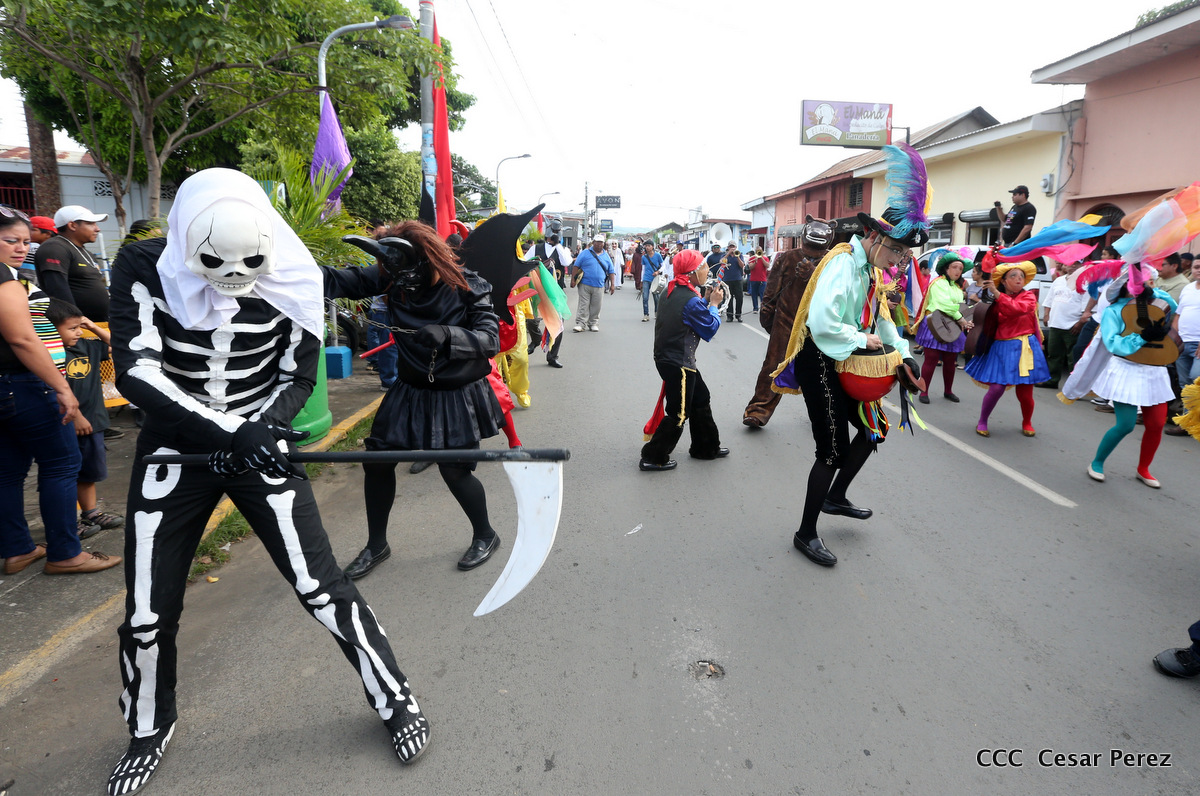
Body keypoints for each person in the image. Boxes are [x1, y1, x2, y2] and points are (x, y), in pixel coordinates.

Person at [106, 170, 430, 796]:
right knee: (146, 613)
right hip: (177, 450)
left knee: (322, 587)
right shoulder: (144, 265)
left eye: (251, 263)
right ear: (187, 242)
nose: (234, 276)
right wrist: (231, 433)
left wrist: (269, 427)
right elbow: (138, 373)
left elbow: (297, 374)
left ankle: (395, 697)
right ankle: (148, 725)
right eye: (214, 263)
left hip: (260, 443)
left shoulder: (293, 269)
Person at [771, 144, 929, 568]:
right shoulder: (843, 263)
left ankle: (836, 496)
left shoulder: (872, 270)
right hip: (820, 358)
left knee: (874, 430)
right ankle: (806, 533)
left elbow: (884, 323)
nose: (898, 260)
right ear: (875, 237)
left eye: (903, 254)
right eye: (896, 250)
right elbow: (824, 323)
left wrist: (903, 354)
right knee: (831, 450)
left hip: (847, 356)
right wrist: (863, 340)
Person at [1, 205, 121, 577]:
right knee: (62, 465)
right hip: (25, 384)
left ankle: (18, 549)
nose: (21, 248)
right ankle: (66, 553)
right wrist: (61, 388)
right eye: (10, 240)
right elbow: (23, 339)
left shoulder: (15, 277)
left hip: (8, 387)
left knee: (9, 471)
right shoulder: (5, 281)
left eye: (25, 241)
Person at [1063, 264, 1175, 487]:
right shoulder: (1113, 311)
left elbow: (1172, 306)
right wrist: (1142, 337)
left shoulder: (1155, 302)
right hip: (1126, 369)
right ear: (1125, 285)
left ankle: (1143, 469)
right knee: (1126, 424)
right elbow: (1114, 344)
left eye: (1145, 282)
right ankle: (1097, 462)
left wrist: (1152, 294)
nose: (1142, 285)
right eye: (1137, 282)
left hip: (1154, 367)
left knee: (1156, 423)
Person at [639, 249, 726, 471]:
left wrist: (705, 300)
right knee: (678, 413)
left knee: (701, 398)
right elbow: (709, 328)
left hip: (671, 358)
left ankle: (706, 447)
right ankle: (653, 457)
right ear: (692, 273)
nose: (707, 270)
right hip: (679, 363)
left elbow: (688, 314)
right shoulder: (689, 299)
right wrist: (714, 305)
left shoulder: (673, 290)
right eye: (703, 267)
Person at [742, 218, 833, 428]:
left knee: (822, 373)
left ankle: (825, 414)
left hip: (818, 326)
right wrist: (767, 317)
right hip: (786, 322)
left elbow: (838, 293)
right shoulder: (787, 257)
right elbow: (771, 290)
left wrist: (814, 275)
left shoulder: (834, 261)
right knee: (773, 367)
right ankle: (758, 410)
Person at [48, 298, 125, 534]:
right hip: (65, 421)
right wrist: (76, 416)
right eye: (72, 328)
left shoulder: (87, 346)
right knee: (65, 473)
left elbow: (120, 345)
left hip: (94, 421)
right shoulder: (48, 355)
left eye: (79, 327)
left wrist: (92, 326)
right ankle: (68, 522)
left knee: (89, 472)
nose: (78, 332)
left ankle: (91, 512)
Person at [965, 261, 1049, 437]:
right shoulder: (995, 300)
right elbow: (986, 320)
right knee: (996, 388)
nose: (1019, 279)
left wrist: (997, 294)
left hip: (1026, 347)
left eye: (1021, 276)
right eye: (1013, 276)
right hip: (1002, 347)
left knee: (1025, 392)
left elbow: (1017, 309)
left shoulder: (1029, 297)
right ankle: (982, 420)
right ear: (1003, 281)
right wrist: (974, 324)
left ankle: (1027, 422)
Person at [911, 252, 973, 404]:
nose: (958, 271)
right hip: (935, 324)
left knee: (950, 360)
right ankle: (924, 391)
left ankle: (948, 391)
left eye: (960, 268)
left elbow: (960, 307)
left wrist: (968, 319)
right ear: (946, 268)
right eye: (954, 267)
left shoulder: (957, 288)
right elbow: (943, 304)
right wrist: (961, 319)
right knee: (931, 359)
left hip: (952, 326)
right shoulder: (938, 283)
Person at [35, 204, 111, 322]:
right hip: (77, 326)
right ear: (72, 225)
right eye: (91, 224)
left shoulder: (85, 252)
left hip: (97, 324)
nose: (97, 229)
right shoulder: (55, 247)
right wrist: (73, 321)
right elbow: (57, 289)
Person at [1035, 260, 1087, 389]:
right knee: (1053, 354)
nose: (1072, 266)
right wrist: (1046, 314)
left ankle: (1074, 386)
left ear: (1082, 266)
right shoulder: (1059, 281)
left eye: (1076, 264)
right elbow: (1049, 299)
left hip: (1073, 325)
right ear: (1065, 266)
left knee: (1073, 357)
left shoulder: (1085, 282)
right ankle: (1052, 380)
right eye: (1070, 263)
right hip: (1056, 323)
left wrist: (1080, 323)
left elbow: (1087, 306)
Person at [524, 234, 572, 367]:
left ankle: (552, 356)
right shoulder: (535, 248)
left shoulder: (562, 250)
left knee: (558, 323)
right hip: (537, 291)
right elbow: (525, 263)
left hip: (556, 293)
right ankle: (536, 339)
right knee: (531, 320)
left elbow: (566, 262)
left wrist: (558, 246)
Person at [1166, 261, 1200, 436]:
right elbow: (1178, 315)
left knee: (1196, 379)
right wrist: (1174, 337)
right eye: (1196, 267)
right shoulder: (1187, 288)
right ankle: (1187, 424)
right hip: (1182, 343)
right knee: (1185, 384)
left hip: (1198, 345)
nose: (1198, 270)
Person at [571, 234, 615, 332]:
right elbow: (576, 266)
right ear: (593, 243)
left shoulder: (606, 256)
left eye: (601, 243)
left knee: (596, 306)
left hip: (599, 285)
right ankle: (581, 323)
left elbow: (611, 271)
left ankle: (593, 323)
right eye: (597, 242)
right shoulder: (585, 253)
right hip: (584, 284)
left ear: (603, 244)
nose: (599, 244)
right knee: (583, 305)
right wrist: (573, 280)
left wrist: (612, 285)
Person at [717, 243, 745, 322]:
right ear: (728, 247)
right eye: (730, 247)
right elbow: (721, 262)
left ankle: (738, 315)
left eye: (733, 247)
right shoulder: (724, 255)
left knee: (739, 298)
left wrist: (737, 257)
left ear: (736, 247)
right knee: (729, 298)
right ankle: (729, 316)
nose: (732, 248)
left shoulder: (740, 255)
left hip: (738, 279)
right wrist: (728, 254)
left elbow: (742, 265)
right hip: (727, 279)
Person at [639, 241, 663, 321]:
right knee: (645, 297)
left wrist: (658, 272)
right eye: (646, 246)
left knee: (656, 297)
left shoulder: (658, 255)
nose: (647, 247)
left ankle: (656, 312)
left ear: (652, 246)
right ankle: (646, 314)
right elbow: (643, 269)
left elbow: (663, 266)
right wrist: (641, 280)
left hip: (655, 279)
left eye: (649, 246)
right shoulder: (644, 257)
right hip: (646, 278)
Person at [745, 248, 769, 312]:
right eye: (757, 251)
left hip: (762, 279)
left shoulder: (765, 258)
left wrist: (762, 258)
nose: (759, 252)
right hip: (754, 279)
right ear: (755, 252)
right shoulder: (752, 258)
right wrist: (755, 262)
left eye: (760, 251)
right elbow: (750, 267)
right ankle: (755, 308)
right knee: (754, 294)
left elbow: (767, 265)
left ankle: (763, 307)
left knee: (762, 294)